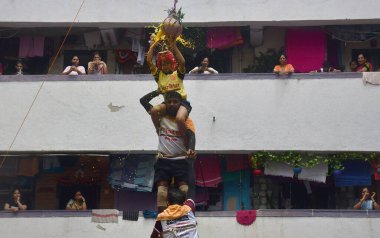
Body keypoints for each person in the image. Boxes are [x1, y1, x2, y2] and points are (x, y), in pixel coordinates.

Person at [141, 91, 196, 212]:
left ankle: (188, 216)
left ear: (180, 104)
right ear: (165, 103)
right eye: (169, 102)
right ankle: (162, 219)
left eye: (175, 102)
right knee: (161, 192)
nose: (172, 104)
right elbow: (143, 101)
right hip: (163, 160)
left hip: (181, 160)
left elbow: (192, 136)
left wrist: (191, 149)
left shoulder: (186, 121)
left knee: (185, 191)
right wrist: (158, 92)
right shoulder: (160, 117)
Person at [141, 37, 191, 136]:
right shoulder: (159, 76)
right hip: (168, 104)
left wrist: (174, 46)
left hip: (181, 103)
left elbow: (182, 62)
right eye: (163, 64)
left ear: (172, 63)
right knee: (154, 110)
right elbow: (149, 61)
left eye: (168, 63)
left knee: (180, 119)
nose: (165, 66)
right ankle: (159, 130)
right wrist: (153, 45)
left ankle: (185, 137)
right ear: (160, 65)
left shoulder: (178, 74)